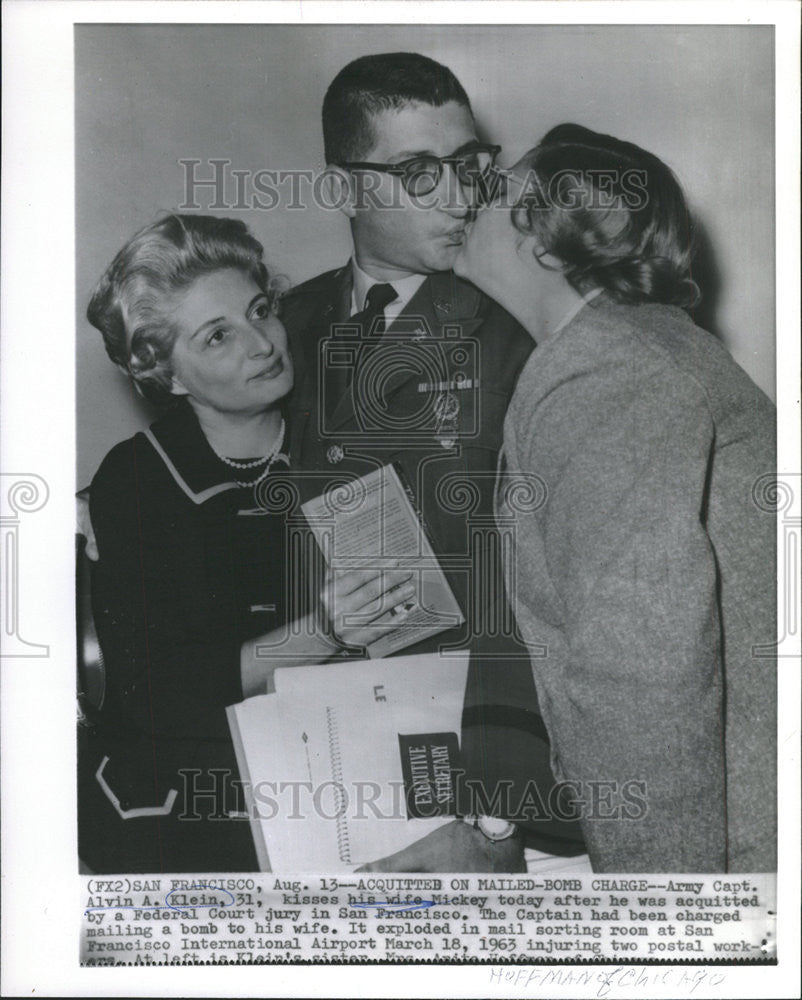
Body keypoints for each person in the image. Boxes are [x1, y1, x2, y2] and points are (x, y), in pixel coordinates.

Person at [281, 53, 586, 871]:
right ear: (346, 188)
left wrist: (493, 819)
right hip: (306, 764)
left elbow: (545, 587)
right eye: (419, 173)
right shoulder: (277, 329)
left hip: (472, 778)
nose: (459, 196)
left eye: (467, 166)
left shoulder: (526, 332)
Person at [448, 123, 777, 872]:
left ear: (549, 237)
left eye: (497, 191)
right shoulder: (645, 348)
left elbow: (643, 678)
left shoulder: (607, 372)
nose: (469, 201)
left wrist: (661, 923)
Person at [78, 213, 414, 873]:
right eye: (218, 336)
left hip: (337, 759)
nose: (261, 344)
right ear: (167, 374)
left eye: (260, 311)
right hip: (185, 795)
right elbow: (154, 695)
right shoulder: (137, 478)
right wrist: (323, 631)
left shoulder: (341, 438)